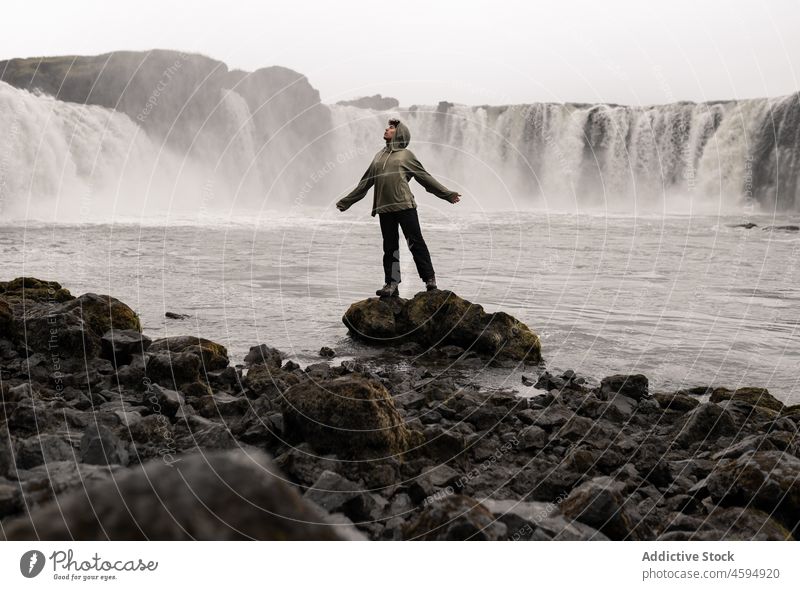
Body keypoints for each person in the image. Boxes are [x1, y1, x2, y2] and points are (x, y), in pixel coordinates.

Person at [336, 118, 461, 298]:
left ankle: (429, 280)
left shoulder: (406, 155)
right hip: (384, 209)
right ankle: (392, 283)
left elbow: (424, 177)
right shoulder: (378, 156)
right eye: (388, 127)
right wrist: (347, 201)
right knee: (390, 247)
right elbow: (365, 183)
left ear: (400, 133)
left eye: (392, 127)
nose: (387, 129)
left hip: (405, 206)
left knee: (415, 243)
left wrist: (447, 194)